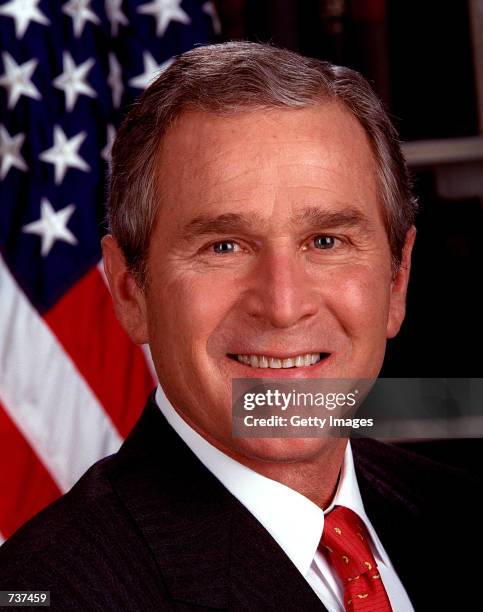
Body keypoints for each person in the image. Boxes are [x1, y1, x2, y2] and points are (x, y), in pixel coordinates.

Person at [0, 42, 479, 611]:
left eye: (326, 241)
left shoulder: (463, 517)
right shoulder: (56, 590)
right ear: (130, 290)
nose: (283, 304)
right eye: (223, 246)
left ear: (397, 279)